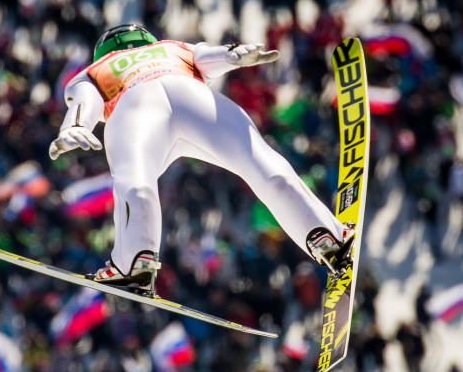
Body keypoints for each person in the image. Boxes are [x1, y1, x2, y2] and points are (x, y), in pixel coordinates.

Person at [49, 24, 353, 293]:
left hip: (133, 105)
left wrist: (74, 126)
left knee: (136, 184)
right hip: (191, 93)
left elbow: (83, 100)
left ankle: (134, 263)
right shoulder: (169, 47)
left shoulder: (93, 70)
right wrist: (234, 55)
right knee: (261, 164)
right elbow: (207, 56)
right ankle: (326, 236)